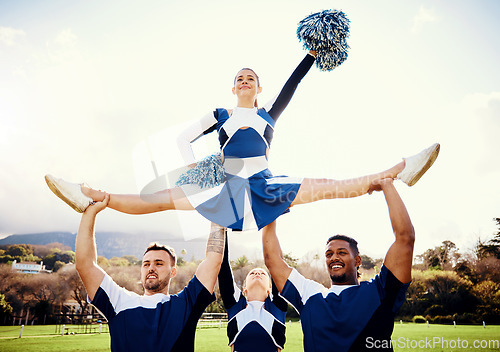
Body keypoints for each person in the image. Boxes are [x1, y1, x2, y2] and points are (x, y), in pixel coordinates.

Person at [45, 50, 440, 232]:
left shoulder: (268, 114)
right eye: (239, 77)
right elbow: (183, 138)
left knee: (326, 187)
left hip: (263, 177)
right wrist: (194, 170)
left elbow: (293, 84)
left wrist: (312, 55)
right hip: (218, 170)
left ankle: (398, 172)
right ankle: (91, 195)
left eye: (250, 77)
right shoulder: (219, 114)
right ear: (232, 87)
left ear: (258, 87)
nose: (244, 80)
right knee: (159, 198)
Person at [262, 178, 415, 352]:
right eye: (329, 254)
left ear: (357, 261)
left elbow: (405, 238)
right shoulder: (309, 295)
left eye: (341, 252)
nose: (333, 257)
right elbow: (272, 260)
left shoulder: (379, 291)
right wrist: (270, 209)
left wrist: (387, 184)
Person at [76, 194, 225, 352]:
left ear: (173, 271)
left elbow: (213, 261)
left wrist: (219, 212)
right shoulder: (118, 301)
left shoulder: (186, 303)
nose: (151, 268)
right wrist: (90, 213)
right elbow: (85, 265)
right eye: (146, 264)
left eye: (159, 263)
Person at [218, 235, 288, 352]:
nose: (257, 273)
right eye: (252, 273)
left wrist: (269, 224)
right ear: (244, 287)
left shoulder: (277, 307)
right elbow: (222, 263)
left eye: (262, 273)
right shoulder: (235, 305)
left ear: (270, 288)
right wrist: (222, 225)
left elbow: (277, 262)